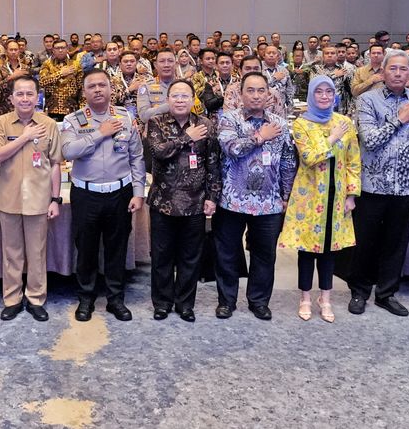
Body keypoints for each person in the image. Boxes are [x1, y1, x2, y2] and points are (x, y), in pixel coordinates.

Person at [348, 50, 409, 317]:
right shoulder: (367, 100)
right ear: (382, 72)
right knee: (365, 242)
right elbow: (369, 139)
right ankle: (359, 291)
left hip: (405, 186)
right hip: (372, 186)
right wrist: (400, 119)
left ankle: (386, 293)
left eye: (403, 69)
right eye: (392, 68)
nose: (397, 73)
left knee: (395, 243)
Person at [61, 69, 146, 322]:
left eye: (102, 85)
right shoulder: (73, 120)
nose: (98, 90)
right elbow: (68, 151)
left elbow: (137, 157)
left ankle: (115, 299)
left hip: (120, 193)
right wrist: (101, 133)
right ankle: (86, 298)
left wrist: (139, 192)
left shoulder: (125, 117)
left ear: (111, 89)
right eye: (92, 86)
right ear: (84, 92)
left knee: (116, 249)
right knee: (85, 249)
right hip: (86, 194)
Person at [213, 72, 297, 320]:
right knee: (226, 253)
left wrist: (286, 193)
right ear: (241, 94)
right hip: (232, 200)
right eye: (250, 90)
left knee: (264, 255)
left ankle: (259, 301)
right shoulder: (229, 119)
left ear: (269, 94)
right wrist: (261, 137)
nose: (256, 95)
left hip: (269, 202)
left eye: (261, 90)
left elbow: (287, 162)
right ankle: (226, 301)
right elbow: (232, 148)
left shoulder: (280, 125)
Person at [278, 76, 361, 323]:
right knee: (307, 249)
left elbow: (354, 160)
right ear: (312, 95)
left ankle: (325, 298)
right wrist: (333, 138)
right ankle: (305, 297)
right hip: (309, 196)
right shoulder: (302, 124)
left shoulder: (345, 122)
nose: (325, 97)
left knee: (329, 250)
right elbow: (310, 157)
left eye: (329, 92)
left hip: (337, 196)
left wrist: (352, 194)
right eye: (319, 92)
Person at [146, 79, 221, 322]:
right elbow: (158, 152)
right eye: (175, 96)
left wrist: (213, 196)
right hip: (162, 201)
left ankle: (185, 304)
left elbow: (212, 162)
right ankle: (162, 303)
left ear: (193, 100)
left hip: (195, 202)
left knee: (190, 257)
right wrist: (186, 138)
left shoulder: (206, 124)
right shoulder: (156, 122)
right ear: (168, 100)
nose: (180, 100)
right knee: (161, 256)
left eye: (185, 96)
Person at [0, 76, 62, 322]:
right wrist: (24, 137)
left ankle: (35, 298)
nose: (25, 98)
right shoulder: (1, 123)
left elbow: (55, 164)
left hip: (39, 200)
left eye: (30, 94)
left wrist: (55, 199)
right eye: (19, 94)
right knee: (11, 253)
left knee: (37, 252)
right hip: (9, 200)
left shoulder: (49, 124)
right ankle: (12, 299)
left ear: (37, 97)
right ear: (11, 98)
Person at [39, 39, 84, 121]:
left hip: (72, 108)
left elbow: (81, 87)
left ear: (67, 49)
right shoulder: (47, 64)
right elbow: (42, 82)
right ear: (53, 50)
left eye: (63, 47)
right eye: (57, 48)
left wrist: (82, 108)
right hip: (52, 108)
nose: (60, 50)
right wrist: (60, 73)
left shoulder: (76, 64)